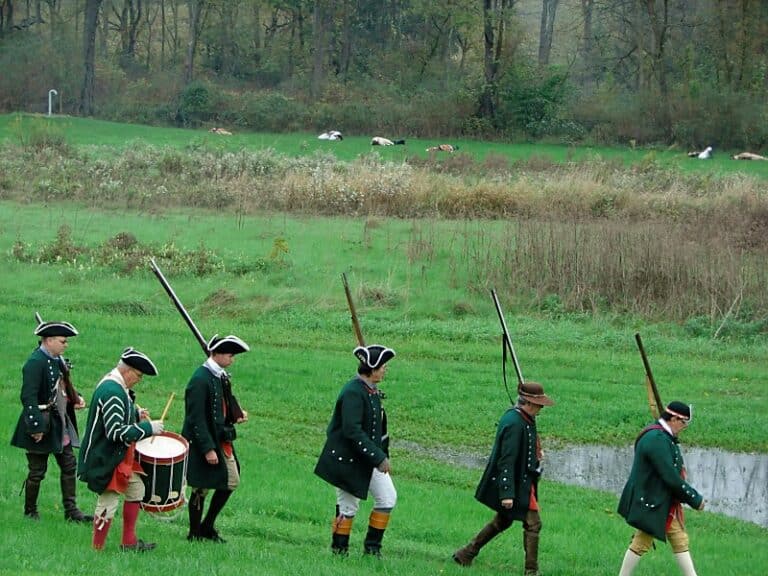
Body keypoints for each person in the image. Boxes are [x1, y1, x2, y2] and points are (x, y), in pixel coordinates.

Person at [452, 382, 555, 576]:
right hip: (516, 485)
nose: (541, 408)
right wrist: (506, 493)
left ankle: (466, 553)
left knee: (503, 521)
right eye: (539, 404)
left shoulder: (524, 418)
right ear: (529, 403)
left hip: (523, 482)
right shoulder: (514, 423)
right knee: (533, 524)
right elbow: (506, 461)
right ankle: (531, 572)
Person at [77, 347, 164, 552]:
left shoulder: (117, 386)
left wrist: (135, 412)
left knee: (136, 490)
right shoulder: (112, 391)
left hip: (118, 456)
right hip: (105, 457)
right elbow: (115, 432)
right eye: (139, 375)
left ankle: (129, 542)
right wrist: (147, 428)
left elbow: (121, 412)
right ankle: (96, 549)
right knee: (108, 502)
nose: (140, 380)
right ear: (128, 371)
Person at [314, 344, 397, 557]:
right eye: (382, 366)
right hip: (348, 460)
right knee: (348, 507)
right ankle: (339, 550)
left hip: (369, 459)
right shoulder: (352, 392)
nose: (385, 369)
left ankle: (372, 549)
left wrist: (382, 454)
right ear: (372, 369)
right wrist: (378, 457)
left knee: (387, 498)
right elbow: (352, 431)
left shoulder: (371, 391)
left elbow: (378, 430)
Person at [10, 319, 93, 523]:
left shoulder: (56, 361)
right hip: (41, 423)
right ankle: (30, 511)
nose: (66, 345)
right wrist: (35, 427)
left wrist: (76, 398)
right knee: (37, 472)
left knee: (69, 465)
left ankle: (71, 511)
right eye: (63, 341)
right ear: (48, 340)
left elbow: (61, 388)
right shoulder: (35, 362)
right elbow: (28, 397)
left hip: (58, 424)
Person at [616, 401, 705, 576]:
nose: (684, 427)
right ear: (674, 418)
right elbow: (670, 476)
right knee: (642, 542)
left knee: (679, 540)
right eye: (683, 422)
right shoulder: (656, 439)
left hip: (661, 500)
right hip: (651, 501)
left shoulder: (663, 437)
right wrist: (694, 498)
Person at [183, 334, 250, 543]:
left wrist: (236, 414)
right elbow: (196, 419)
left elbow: (222, 404)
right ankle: (195, 532)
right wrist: (208, 449)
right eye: (230, 355)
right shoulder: (199, 379)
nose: (232, 359)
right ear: (218, 354)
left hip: (220, 439)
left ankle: (206, 526)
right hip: (206, 442)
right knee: (201, 487)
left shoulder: (219, 375)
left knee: (230, 481)